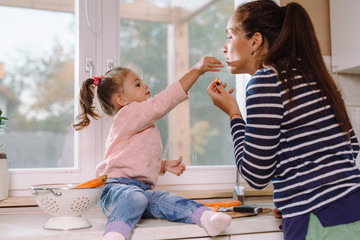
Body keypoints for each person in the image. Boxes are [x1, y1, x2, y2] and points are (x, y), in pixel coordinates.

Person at [206, 0, 360, 239]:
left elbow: (255, 175)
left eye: (229, 36)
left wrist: (234, 114)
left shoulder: (266, 81)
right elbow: (352, 148)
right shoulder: (315, 77)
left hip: (318, 218)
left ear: (255, 41)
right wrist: (293, 195)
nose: (224, 47)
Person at [73, 57, 231, 240]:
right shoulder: (128, 113)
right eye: (138, 84)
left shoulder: (138, 120)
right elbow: (163, 102)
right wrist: (196, 71)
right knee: (135, 197)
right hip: (113, 190)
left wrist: (162, 165)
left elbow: (134, 157)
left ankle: (206, 217)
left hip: (140, 191)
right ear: (122, 99)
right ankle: (114, 234)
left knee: (167, 200)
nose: (145, 85)